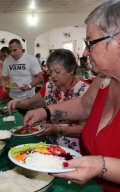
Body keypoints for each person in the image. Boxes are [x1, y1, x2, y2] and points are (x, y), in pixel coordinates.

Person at [24, 1, 120, 191]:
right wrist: (46, 112)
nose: (85, 52)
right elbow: (84, 105)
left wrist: (100, 166)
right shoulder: (104, 80)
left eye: (90, 43)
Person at [8, 49, 89, 151]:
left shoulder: (85, 91)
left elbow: (86, 129)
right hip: (49, 143)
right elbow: (31, 102)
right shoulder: (50, 86)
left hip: (73, 149)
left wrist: (58, 130)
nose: (53, 76)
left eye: (57, 71)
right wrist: (17, 103)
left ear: (71, 69)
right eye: (50, 71)